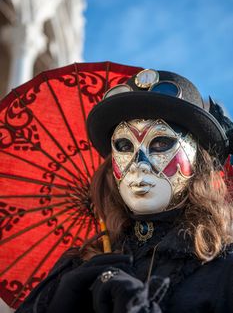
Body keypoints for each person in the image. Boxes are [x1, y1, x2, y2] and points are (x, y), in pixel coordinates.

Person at [16, 67, 233, 313]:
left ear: (198, 163)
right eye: (124, 145)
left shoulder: (223, 268)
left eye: (161, 142)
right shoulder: (81, 263)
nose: (138, 165)